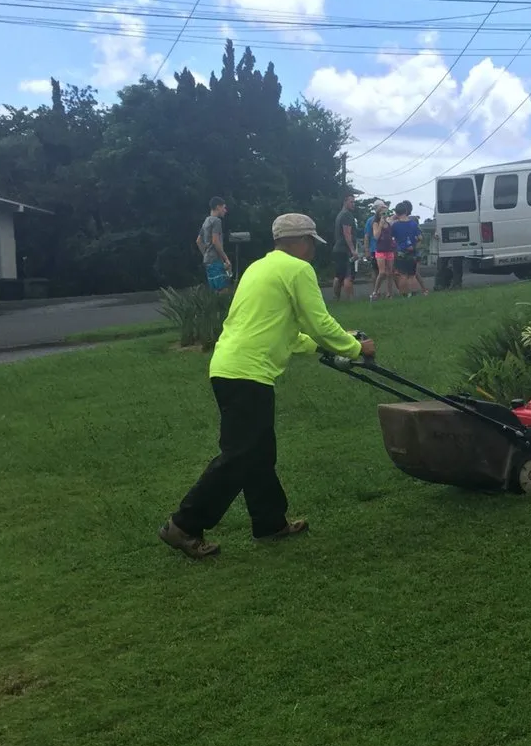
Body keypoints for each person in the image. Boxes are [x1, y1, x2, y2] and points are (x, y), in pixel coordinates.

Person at [159, 213, 375, 560]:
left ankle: (270, 522)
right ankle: (183, 525)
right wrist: (355, 348)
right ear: (301, 241)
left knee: (258, 452)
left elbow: (288, 331)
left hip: (229, 366)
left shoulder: (259, 268)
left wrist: (332, 344)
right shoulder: (298, 270)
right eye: (311, 244)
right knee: (240, 454)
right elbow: (319, 322)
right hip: (248, 372)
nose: (312, 252)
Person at [197, 196, 231, 294]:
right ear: (217, 207)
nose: (225, 210)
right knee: (223, 290)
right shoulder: (216, 221)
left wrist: (206, 254)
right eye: (223, 208)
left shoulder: (206, 221)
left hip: (208, 261)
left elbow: (198, 241)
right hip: (216, 260)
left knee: (215, 291)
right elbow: (215, 241)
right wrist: (226, 259)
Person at [391, 201, 422, 297]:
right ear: (406, 211)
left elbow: (392, 239)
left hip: (401, 252)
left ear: (396, 213)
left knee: (403, 275)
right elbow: (420, 238)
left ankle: (404, 295)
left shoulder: (395, 225)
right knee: (412, 275)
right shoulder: (413, 223)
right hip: (412, 251)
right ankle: (414, 294)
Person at [331, 192, 358, 301]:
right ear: (345, 201)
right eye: (351, 202)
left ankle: (336, 297)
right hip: (345, 249)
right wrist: (353, 250)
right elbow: (347, 234)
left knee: (339, 275)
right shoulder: (347, 215)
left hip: (338, 248)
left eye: (354, 202)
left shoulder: (340, 214)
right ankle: (350, 300)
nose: (353, 204)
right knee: (348, 276)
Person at [371, 206, 396, 300]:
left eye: (386, 213)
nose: (385, 215)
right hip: (380, 250)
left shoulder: (389, 224)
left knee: (390, 272)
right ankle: (375, 291)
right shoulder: (376, 223)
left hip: (389, 249)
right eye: (383, 214)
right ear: (378, 215)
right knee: (382, 272)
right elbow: (376, 236)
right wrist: (380, 225)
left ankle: (389, 293)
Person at [364, 200, 388, 287]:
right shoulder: (371, 221)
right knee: (376, 271)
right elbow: (366, 236)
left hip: (385, 249)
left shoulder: (387, 220)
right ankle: (376, 291)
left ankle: (379, 291)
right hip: (375, 249)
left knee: (382, 271)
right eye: (382, 207)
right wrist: (367, 250)